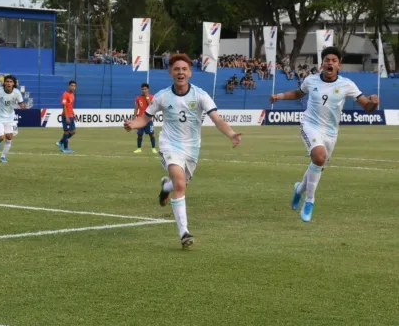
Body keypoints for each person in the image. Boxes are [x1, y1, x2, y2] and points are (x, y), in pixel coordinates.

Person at [124, 53, 242, 248]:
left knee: (180, 184)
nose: (180, 72)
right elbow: (144, 118)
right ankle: (184, 232)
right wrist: (132, 124)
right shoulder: (162, 96)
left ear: (190, 73)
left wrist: (230, 134)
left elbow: (217, 119)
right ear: (171, 72)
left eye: (184, 69)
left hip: (191, 148)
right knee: (180, 183)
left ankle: (165, 187)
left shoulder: (200, 95)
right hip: (169, 144)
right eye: (177, 69)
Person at [270, 46, 379, 222]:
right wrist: (279, 96)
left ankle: (299, 189)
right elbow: (298, 93)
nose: (330, 63)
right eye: (327, 60)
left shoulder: (347, 85)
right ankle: (309, 201)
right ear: (322, 64)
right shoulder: (311, 80)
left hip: (331, 133)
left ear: (339, 65)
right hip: (310, 125)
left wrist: (374, 103)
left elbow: (367, 106)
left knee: (317, 163)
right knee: (319, 158)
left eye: (334, 60)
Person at [0, 75, 26, 163]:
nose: (8, 83)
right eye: (7, 81)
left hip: (10, 117)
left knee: (9, 137)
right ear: (4, 83)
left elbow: (21, 103)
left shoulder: (17, 92)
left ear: (14, 84)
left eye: (11, 82)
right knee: (1, 138)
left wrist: (23, 106)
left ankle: (3, 157)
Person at [133, 83, 157, 154]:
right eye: (142, 89)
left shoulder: (152, 97)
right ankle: (139, 148)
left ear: (148, 89)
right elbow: (136, 108)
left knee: (151, 134)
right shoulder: (138, 98)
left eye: (145, 89)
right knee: (139, 134)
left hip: (148, 119)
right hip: (140, 119)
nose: (143, 90)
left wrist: (147, 97)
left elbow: (151, 106)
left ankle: (153, 148)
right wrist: (134, 118)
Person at [56, 81, 76, 154]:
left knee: (73, 132)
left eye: (74, 86)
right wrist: (67, 117)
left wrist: (74, 115)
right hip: (66, 116)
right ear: (69, 86)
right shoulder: (65, 94)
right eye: (72, 85)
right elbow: (64, 106)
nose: (73, 87)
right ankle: (66, 148)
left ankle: (60, 142)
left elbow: (70, 106)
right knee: (66, 132)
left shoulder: (72, 95)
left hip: (71, 116)